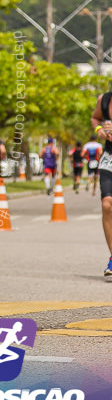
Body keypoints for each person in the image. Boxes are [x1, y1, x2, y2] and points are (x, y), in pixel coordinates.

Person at [89, 92, 112, 278]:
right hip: (109, 160)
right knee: (106, 204)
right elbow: (95, 118)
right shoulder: (104, 100)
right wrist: (100, 131)